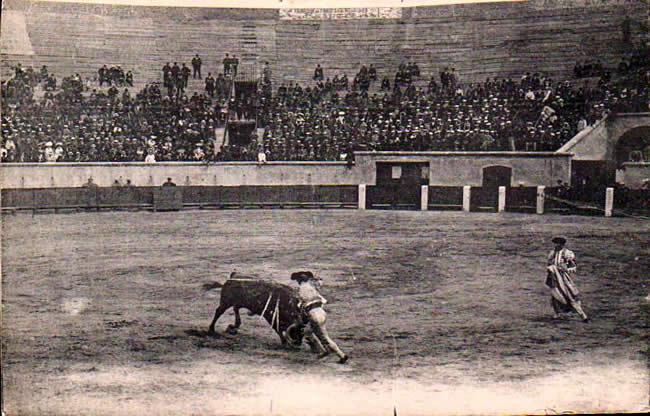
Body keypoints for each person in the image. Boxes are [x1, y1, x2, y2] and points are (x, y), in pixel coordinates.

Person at [291, 271, 348, 364]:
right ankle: (323, 351)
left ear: (300, 280)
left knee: (324, 337)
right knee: (307, 332)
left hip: (314, 315)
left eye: (297, 280)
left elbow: (300, 305)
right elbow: (323, 301)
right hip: (321, 312)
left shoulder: (301, 289)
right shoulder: (312, 287)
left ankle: (342, 355)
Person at [545, 237, 590, 322]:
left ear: (562, 244)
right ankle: (558, 314)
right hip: (554, 277)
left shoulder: (567, 253)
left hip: (563, 278)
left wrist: (565, 269)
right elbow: (549, 264)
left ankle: (583, 315)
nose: (557, 245)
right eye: (556, 243)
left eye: (559, 243)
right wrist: (550, 268)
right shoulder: (552, 253)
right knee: (555, 295)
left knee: (570, 296)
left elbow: (573, 267)